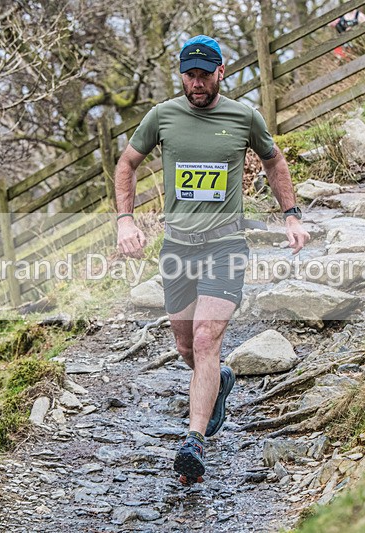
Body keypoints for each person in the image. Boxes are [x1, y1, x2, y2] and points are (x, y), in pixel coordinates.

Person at [114, 35, 310, 485]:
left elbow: (274, 160)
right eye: (190, 74)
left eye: (205, 73)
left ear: (222, 72)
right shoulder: (162, 116)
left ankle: (193, 442)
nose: (197, 82)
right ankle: (218, 380)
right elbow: (126, 164)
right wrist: (126, 220)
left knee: (205, 338)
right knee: (187, 348)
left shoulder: (244, 117)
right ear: (181, 73)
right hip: (178, 250)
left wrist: (291, 216)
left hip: (225, 247)